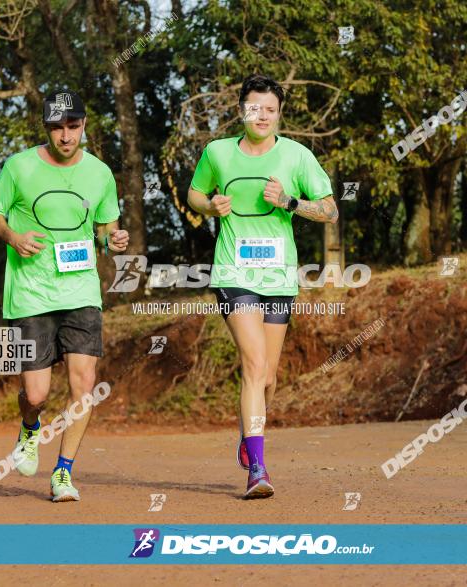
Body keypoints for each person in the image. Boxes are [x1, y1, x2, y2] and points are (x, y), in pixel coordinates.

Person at [187, 74, 338, 499]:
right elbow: (194, 195)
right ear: (242, 110)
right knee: (253, 365)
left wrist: (290, 202)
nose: (262, 115)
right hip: (233, 273)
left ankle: (247, 435)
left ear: (279, 113)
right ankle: (258, 467)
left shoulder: (297, 156)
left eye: (270, 109)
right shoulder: (217, 153)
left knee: (268, 376)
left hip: (278, 276)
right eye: (255, 108)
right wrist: (210, 205)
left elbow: (329, 211)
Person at [0, 90, 129, 502]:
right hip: (31, 293)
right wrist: (12, 235)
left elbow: (105, 228)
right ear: (46, 128)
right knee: (37, 395)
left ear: (84, 125)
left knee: (84, 385)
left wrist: (113, 239)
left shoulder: (100, 173)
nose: (66, 136)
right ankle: (30, 428)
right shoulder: (19, 167)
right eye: (57, 127)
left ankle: (63, 473)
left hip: (81, 289)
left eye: (73, 126)